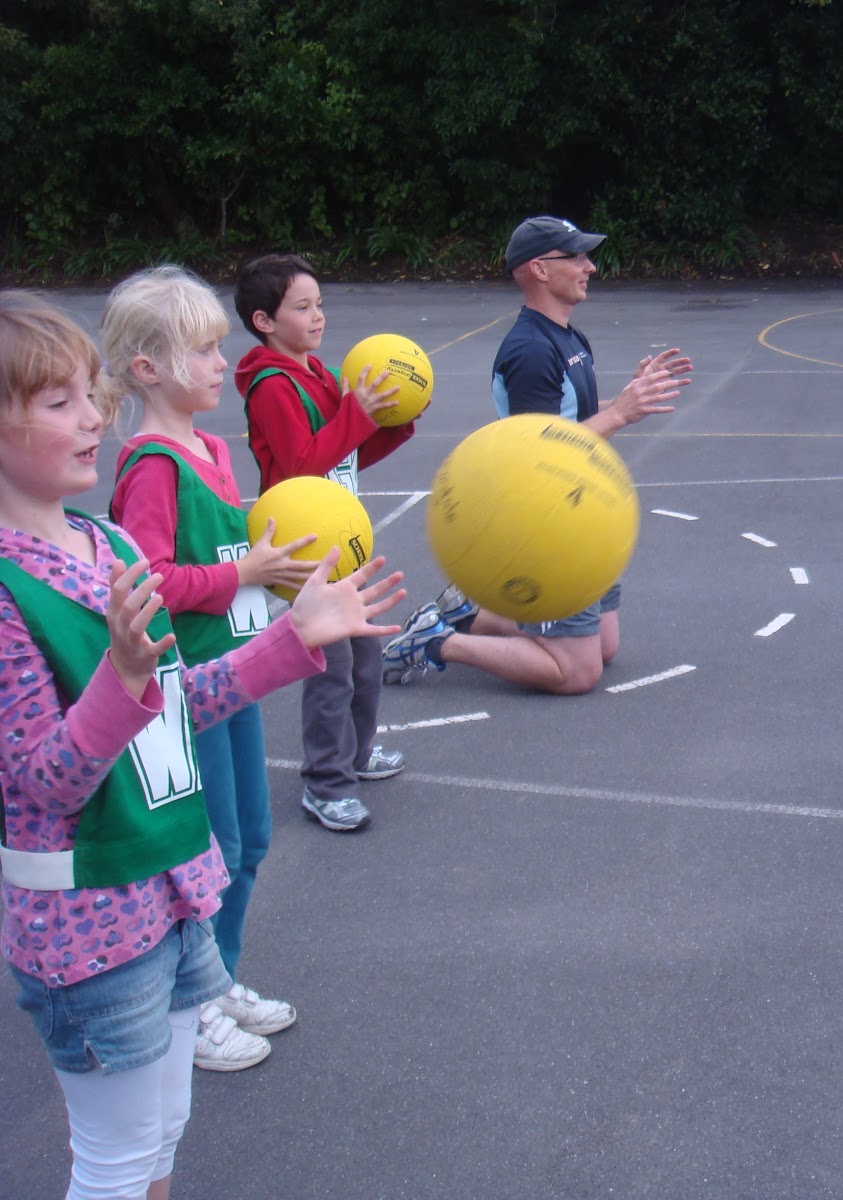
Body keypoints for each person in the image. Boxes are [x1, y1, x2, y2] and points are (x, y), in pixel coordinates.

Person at [0, 289, 405, 1200]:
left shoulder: (104, 545)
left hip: (174, 898)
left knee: (160, 1144)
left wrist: (298, 636)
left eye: (86, 394)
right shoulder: (6, 589)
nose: (92, 415)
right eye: (56, 401)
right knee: (114, 1161)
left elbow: (186, 703)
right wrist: (125, 679)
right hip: (91, 931)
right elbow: (47, 781)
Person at [103, 265, 319, 1071]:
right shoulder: (153, 464)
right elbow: (149, 582)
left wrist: (272, 575)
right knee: (213, 849)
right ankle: (189, 1006)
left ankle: (218, 978)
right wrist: (246, 576)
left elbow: (238, 559)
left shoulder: (211, 448)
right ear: (147, 368)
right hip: (186, 693)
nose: (220, 364)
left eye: (219, 347)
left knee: (252, 840)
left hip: (234, 677)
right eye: (202, 352)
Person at [381, 215, 691, 695]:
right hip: (547, 524)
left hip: (582, 510)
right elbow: (537, 461)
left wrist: (628, 398)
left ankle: (473, 615)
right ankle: (436, 642)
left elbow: (574, 416)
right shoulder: (529, 350)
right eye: (577, 257)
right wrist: (622, 414)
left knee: (604, 647)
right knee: (579, 673)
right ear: (540, 269)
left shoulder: (567, 337)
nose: (589, 266)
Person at [234, 253, 414, 832]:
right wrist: (355, 414)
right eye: (303, 307)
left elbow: (347, 454)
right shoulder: (270, 385)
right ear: (265, 320)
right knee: (330, 666)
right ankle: (325, 782)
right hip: (307, 546)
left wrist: (393, 420)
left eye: (320, 305)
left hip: (342, 535)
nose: (318, 317)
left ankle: (357, 754)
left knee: (365, 656)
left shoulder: (317, 374)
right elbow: (301, 466)